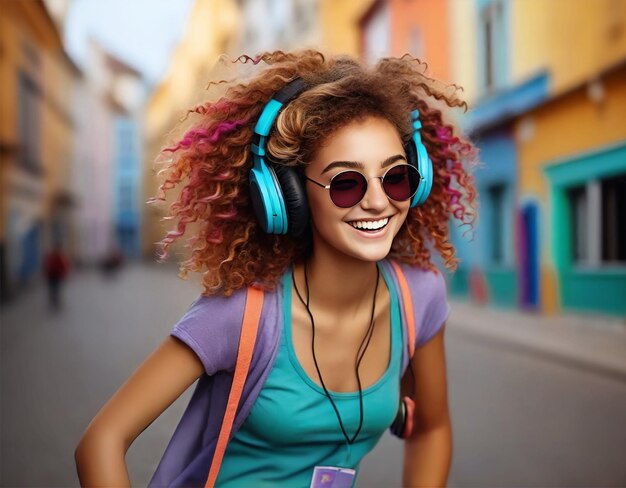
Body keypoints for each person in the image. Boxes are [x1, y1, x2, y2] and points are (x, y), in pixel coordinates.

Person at [75, 50, 477, 487]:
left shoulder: (419, 298)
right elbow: (102, 440)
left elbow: (431, 429)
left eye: (395, 176)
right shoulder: (241, 314)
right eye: (346, 183)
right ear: (287, 197)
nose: (378, 201)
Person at [43, 243, 70, 310]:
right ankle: (55, 301)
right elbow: (63, 266)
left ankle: (54, 301)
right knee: (54, 289)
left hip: (54, 276)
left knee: (54, 289)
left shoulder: (54, 257)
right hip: (53, 276)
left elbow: (63, 266)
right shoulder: (57, 257)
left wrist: (64, 273)